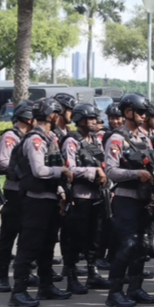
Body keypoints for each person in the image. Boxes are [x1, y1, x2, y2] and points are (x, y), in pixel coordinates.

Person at [9, 98, 73, 307]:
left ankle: (46, 286)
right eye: (58, 113)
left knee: (47, 245)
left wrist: (62, 191)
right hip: (35, 201)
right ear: (52, 115)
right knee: (29, 246)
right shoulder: (35, 139)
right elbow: (39, 170)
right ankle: (18, 291)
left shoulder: (49, 138)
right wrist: (61, 171)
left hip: (50, 198)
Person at [103, 93, 154, 307]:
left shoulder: (144, 138)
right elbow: (111, 171)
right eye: (140, 112)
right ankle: (114, 292)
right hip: (125, 199)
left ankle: (135, 288)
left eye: (146, 112)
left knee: (142, 246)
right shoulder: (117, 138)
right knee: (128, 244)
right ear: (128, 113)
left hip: (144, 199)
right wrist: (137, 175)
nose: (144, 116)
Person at [60, 103, 110, 295]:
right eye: (89, 119)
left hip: (97, 195)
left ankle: (92, 272)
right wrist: (93, 171)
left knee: (94, 237)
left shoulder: (96, 141)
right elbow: (69, 168)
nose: (93, 122)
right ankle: (71, 276)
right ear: (79, 120)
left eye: (94, 119)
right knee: (75, 238)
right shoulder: (72, 141)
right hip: (79, 197)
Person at [0, 101, 33, 292]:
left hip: (29, 191)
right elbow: (1, 163)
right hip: (14, 190)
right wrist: (26, 169)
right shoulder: (11, 136)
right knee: (9, 234)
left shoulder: (32, 136)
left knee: (27, 234)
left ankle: (24, 271)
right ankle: (2, 276)